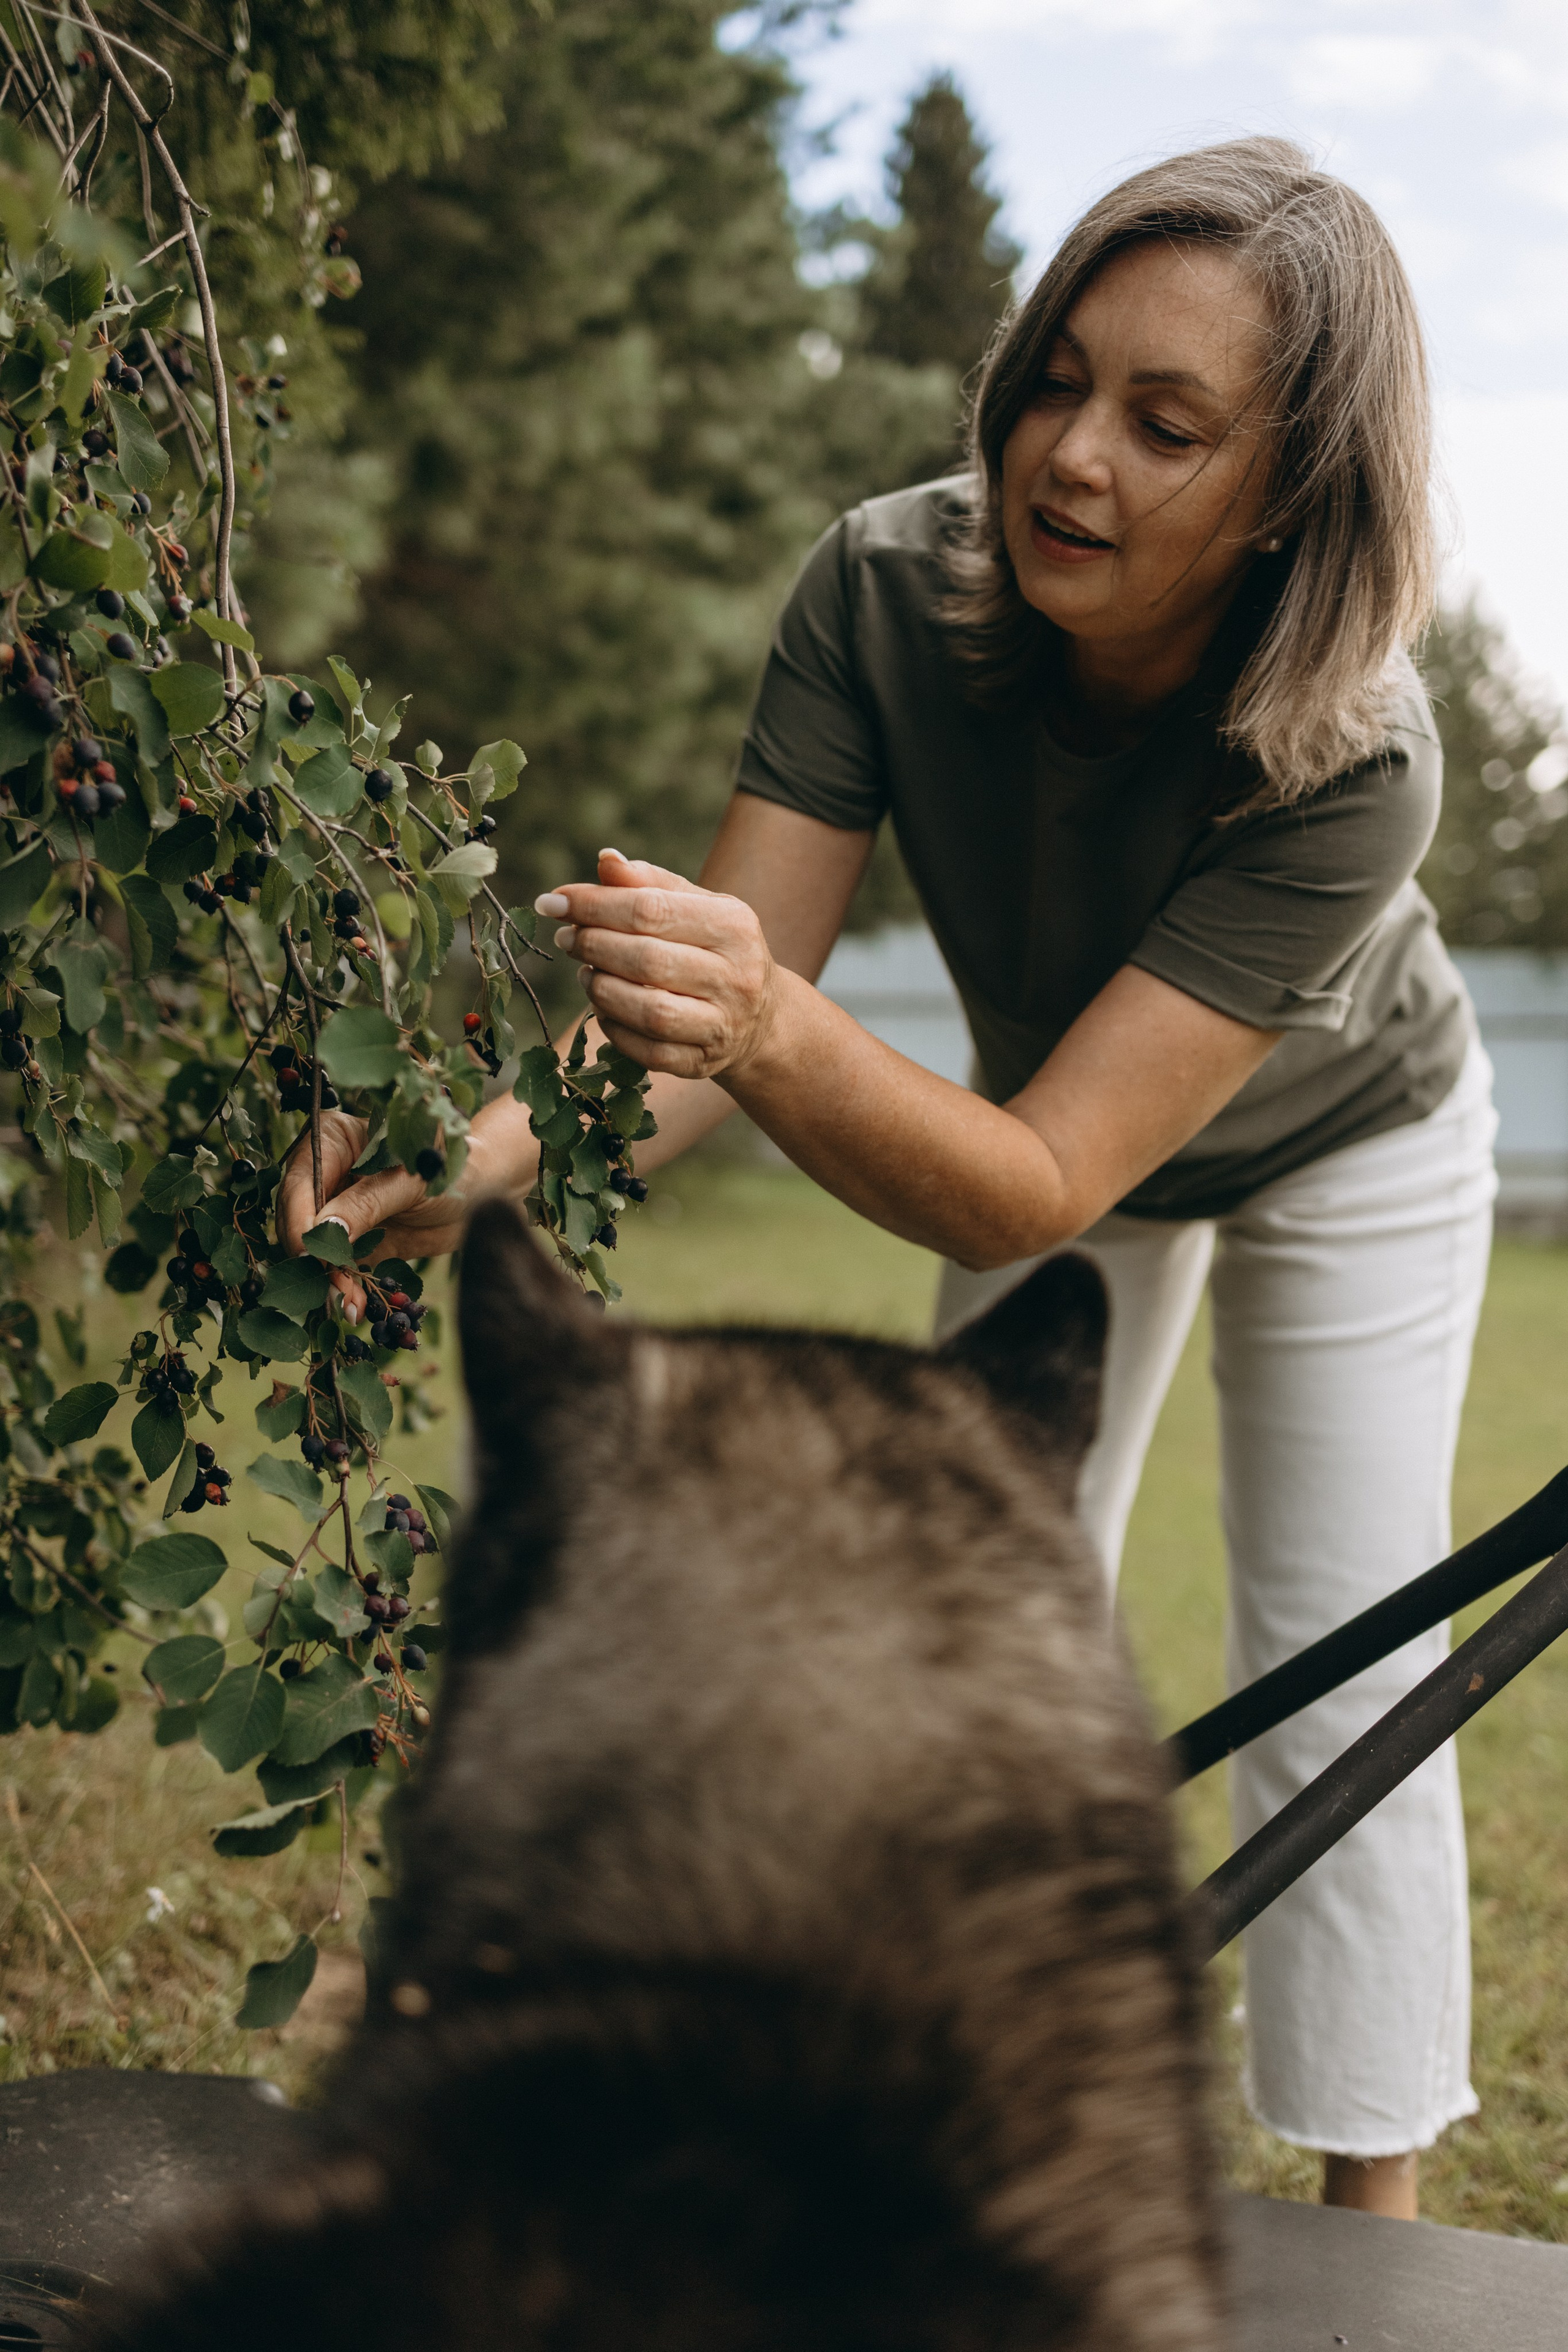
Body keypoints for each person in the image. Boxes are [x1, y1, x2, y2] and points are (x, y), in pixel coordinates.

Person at [282, 138, 1496, 2219]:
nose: (1071, 454)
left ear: (1290, 494)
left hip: (1343, 1147)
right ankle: (925, 2107)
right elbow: (691, 1042)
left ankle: (1374, 2240)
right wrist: (447, 1160)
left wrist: (761, 1025)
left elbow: (1024, 1182)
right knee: (970, 1637)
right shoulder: (883, 587)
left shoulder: (1358, 759)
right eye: (1058, 380)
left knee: (1347, 1640)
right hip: (1031, 1137)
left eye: (1165, 424)